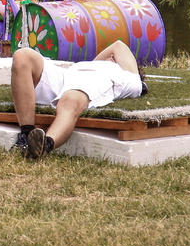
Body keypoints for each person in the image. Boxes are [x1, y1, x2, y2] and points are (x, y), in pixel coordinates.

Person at [10, 40, 148, 159]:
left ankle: (45, 145)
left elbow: (118, 45)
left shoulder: (127, 77)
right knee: (22, 56)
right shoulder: (90, 64)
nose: (111, 56)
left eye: (113, 57)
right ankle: (25, 136)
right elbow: (106, 54)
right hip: (65, 75)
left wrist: (112, 62)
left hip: (95, 80)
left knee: (70, 100)